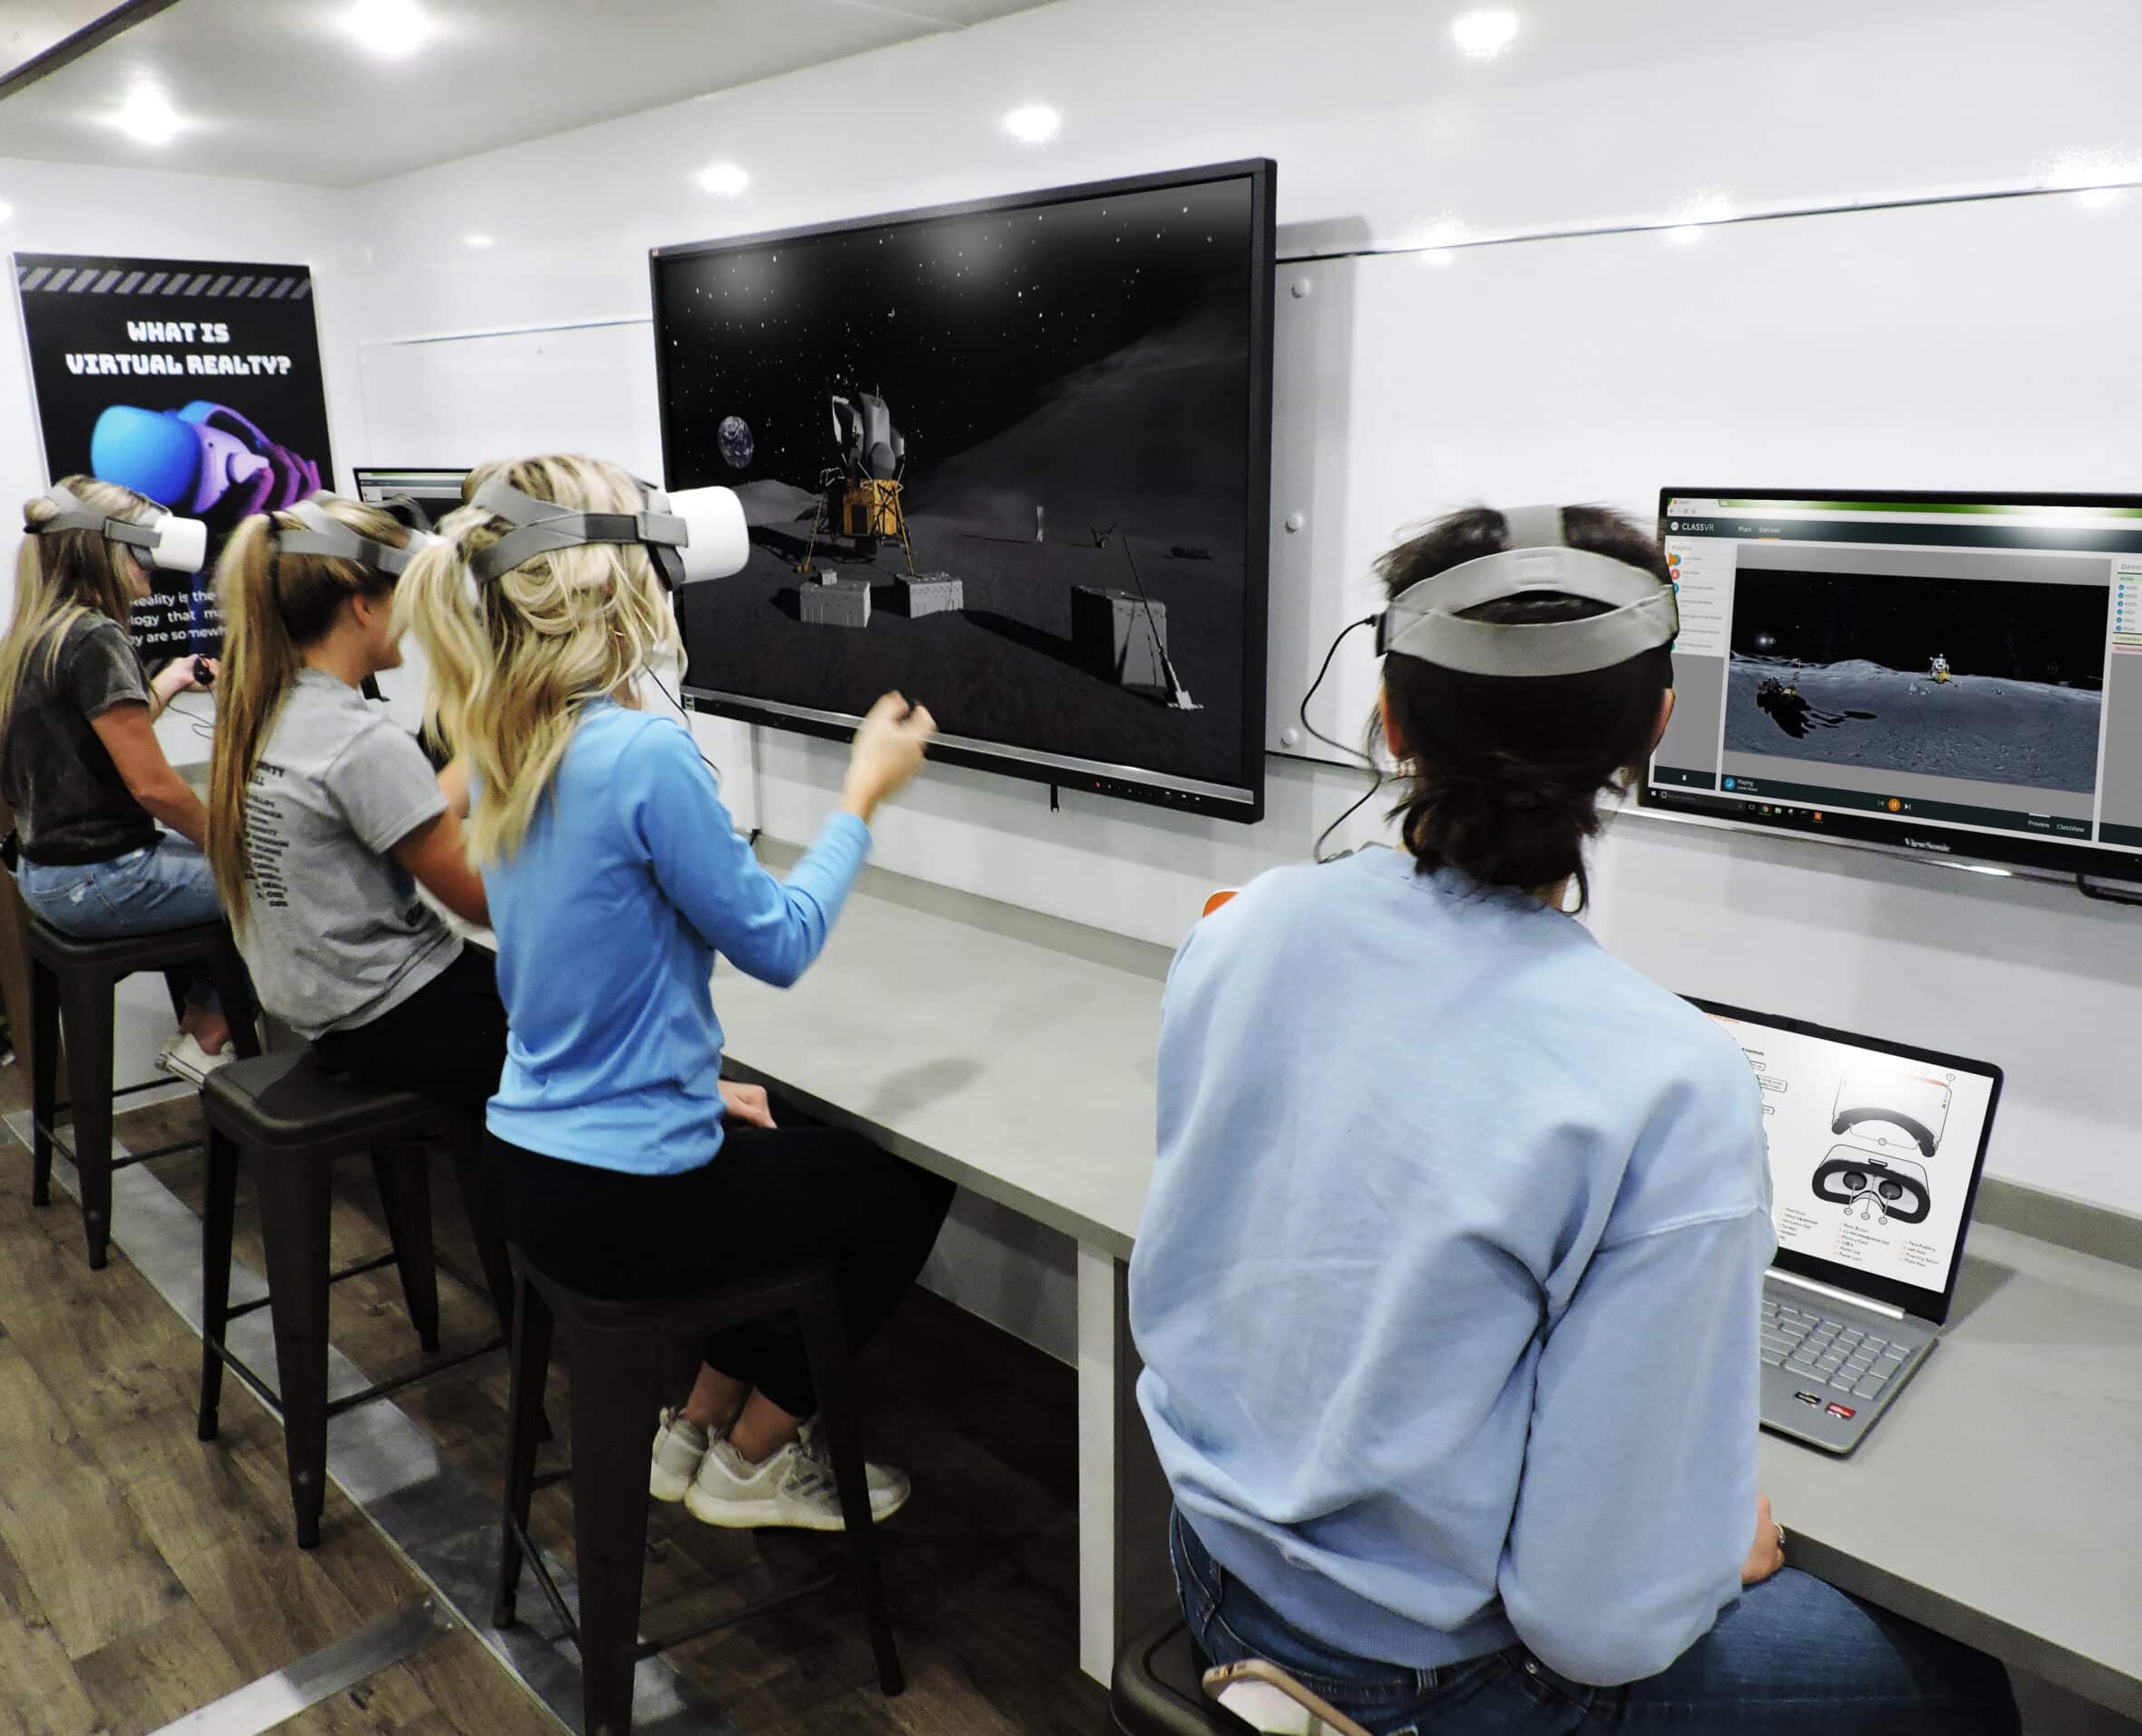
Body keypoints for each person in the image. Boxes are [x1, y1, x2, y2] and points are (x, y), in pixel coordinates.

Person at [1128, 505, 2020, 1734]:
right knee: (1958, 1692)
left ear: (1387, 720)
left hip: (1213, 1579)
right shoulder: (1668, 1086)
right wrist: (1709, 1555)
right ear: (1653, 730)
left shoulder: (1240, 930)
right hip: (1429, 1681)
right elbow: (1594, 1626)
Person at [395, 452, 956, 1531]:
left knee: (777, 1136)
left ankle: (695, 1420)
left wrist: (694, 1094)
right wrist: (861, 797)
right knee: (898, 1185)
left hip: (531, 1171)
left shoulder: (505, 737)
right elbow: (782, 946)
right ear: (620, 581)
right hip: (626, 1202)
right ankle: (759, 1452)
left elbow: (585, 974)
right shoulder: (644, 750)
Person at [203, 494, 514, 1313]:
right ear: (363, 604)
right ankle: (574, 1282)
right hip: (390, 1011)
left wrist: (485, 751)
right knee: (593, 1034)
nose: (415, 624)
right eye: (407, 602)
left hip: (320, 1005)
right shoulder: (360, 737)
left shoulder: (267, 705)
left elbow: (406, 809)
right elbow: (478, 901)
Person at [0, 476, 233, 1082]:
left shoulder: (40, 632)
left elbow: (98, 740)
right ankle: (208, 1037)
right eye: (143, 554)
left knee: (221, 870)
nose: (153, 570)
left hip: (48, 875)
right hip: (101, 877)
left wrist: (169, 681)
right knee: (280, 884)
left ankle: (198, 1026)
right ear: (106, 550)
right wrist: (235, 849)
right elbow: (151, 786)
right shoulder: (97, 635)